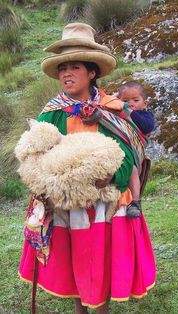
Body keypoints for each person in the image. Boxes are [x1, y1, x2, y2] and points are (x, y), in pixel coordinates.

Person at [18, 23, 156, 314]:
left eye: (75, 67)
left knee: (103, 261)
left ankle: (102, 310)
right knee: (74, 261)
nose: (67, 74)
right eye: (62, 68)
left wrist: (114, 178)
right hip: (67, 203)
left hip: (108, 201)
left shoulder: (114, 108)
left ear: (92, 72)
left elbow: (131, 153)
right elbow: (38, 156)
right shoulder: (52, 113)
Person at [117, 82, 155, 218]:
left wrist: (128, 111)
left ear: (145, 103)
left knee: (132, 169)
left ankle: (135, 202)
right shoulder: (117, 115)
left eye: (135, 100)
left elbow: (146, 127)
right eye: (125, 101)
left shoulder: (145, 116)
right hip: (118, 150)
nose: (130, 103)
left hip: (133, 152)